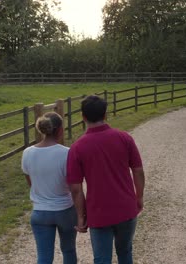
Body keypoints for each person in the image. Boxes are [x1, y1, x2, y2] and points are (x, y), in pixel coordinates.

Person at [67, 95, 145, 264]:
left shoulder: (77, 147)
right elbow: (138, 171)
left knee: (102, 259)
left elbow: (75, 188)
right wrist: (138, 197)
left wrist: (81, 216)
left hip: (99, 212)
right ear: (105, 114)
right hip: (126, 208)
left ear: (83, 117)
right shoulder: (124, 138)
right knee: (125, 252)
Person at [21, 112, 77, 264]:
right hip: (65, 209)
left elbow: (31, 182)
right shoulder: (66, 153)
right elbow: (74, 187)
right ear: (59, 130)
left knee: (44, 257)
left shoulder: (27, 153)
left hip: (40, 212)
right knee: (69, 250)